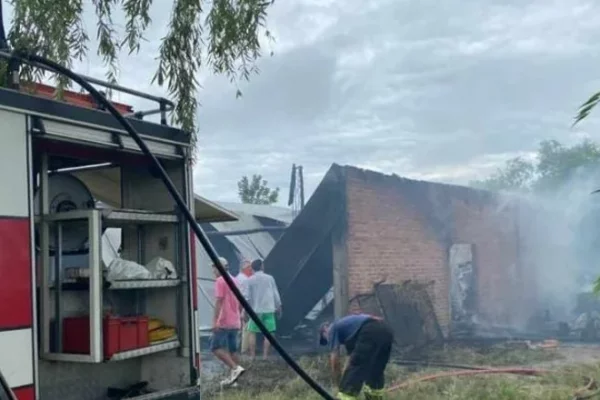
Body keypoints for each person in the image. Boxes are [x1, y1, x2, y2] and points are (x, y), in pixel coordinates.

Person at [319, 314, 394, 400]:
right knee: (376, 369)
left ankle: (345, 397)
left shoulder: (333, 328)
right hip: (386, 330)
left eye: (325, 339)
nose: (328, 341)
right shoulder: (352, 331)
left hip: (369, 330)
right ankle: (375, 397)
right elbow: (351, 360)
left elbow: (335, 360)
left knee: (355, 371)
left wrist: (339, 384)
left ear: (325, 330)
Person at [211, 256, 245, 386]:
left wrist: (215, 321)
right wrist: (238, 315)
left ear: (218, 267)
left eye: (213, 268)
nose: (213, 271)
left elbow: (219, 302)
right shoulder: (235, 280)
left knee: (215, 348)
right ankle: (234, 381)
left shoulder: (220, 280)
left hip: (224, 321)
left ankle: (236, 369)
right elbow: (241, 302)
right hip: (235, 321)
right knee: (232, 350)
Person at [244, 258, 282, 360]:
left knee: (252, 332)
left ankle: (252, 356)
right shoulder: (270, 278)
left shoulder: (249, 280)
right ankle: (265, 356)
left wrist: (246, 311)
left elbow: (246, 297)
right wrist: (278, 307)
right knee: (269, 333)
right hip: (269, 309)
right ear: (261, 266)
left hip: (255, 311)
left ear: (252, 268)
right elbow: (275, 294)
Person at [235, 260, 253, 355]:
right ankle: (244, 349)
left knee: (241, 328)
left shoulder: (238, 278)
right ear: (245, 269)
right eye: (250, 268)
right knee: (245, 328)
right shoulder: (245, 280)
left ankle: (239, 347)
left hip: (239, 305)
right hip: (243, 305)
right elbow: (245, 296)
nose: (251, 270)